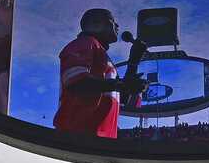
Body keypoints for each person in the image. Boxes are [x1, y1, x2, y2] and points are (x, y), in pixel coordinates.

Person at [53, 8, 147, 138]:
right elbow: (77, 83)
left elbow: (126, 100)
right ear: (96, 24)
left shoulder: (104, 57)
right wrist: (121, 85)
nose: (117, 26)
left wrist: (133, 63)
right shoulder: (86, 43)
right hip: (79, 136)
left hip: (100, 139)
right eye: (113, 21)